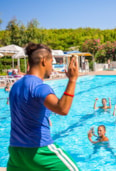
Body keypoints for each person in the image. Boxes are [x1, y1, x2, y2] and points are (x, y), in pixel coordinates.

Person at [7, 43, 80, 171]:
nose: (52, 67)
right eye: (52, 62)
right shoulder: (39, 87)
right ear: (43, 61)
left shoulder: (16, 86)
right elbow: (62, 109)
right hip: (40, 150)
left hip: (16, 152)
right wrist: (72, 80)